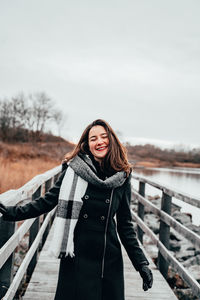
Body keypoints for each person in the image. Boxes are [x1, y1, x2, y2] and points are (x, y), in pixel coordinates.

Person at [0, 119, 153, 300]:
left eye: (104, 137)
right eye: (93, 138)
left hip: (108, 259)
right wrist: (13, 212)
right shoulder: (74, 170)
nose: (99, 142)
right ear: (87, 144)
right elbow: (47, 201)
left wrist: (141, 263)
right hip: (77, 255)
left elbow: (125, 225)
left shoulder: (122, 176)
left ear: (112, 140)